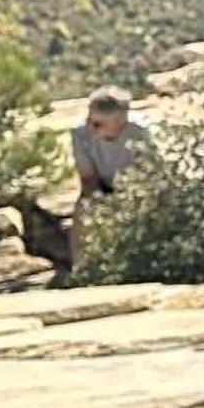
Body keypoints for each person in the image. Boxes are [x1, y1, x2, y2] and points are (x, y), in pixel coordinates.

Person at [68, 88, 148, 272]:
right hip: (101, 186)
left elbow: (148, 174)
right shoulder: (80, 135)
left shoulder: (141, 134)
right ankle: (80, 269)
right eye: (89, 120)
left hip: (135, 188)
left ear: (119, 122)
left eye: (97, 124)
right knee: (83, 212)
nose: (90, 128)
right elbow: (88, 178)